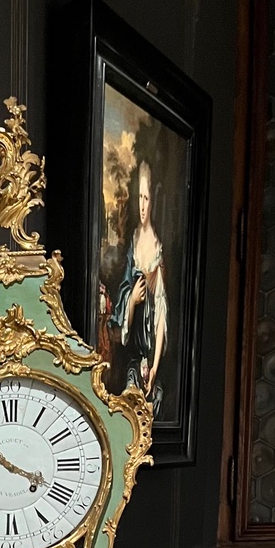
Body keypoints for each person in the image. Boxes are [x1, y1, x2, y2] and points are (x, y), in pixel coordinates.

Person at [114, 158, 167, 415]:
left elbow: (162, 314)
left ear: (153, 200)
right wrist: (132, 301)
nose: (142, 206)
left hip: (150, 349)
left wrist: (155, 366)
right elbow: (125, 292)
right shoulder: (132, 242)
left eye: (146, 198)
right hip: (132, 353)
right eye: (139, 198)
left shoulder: (158, 247)